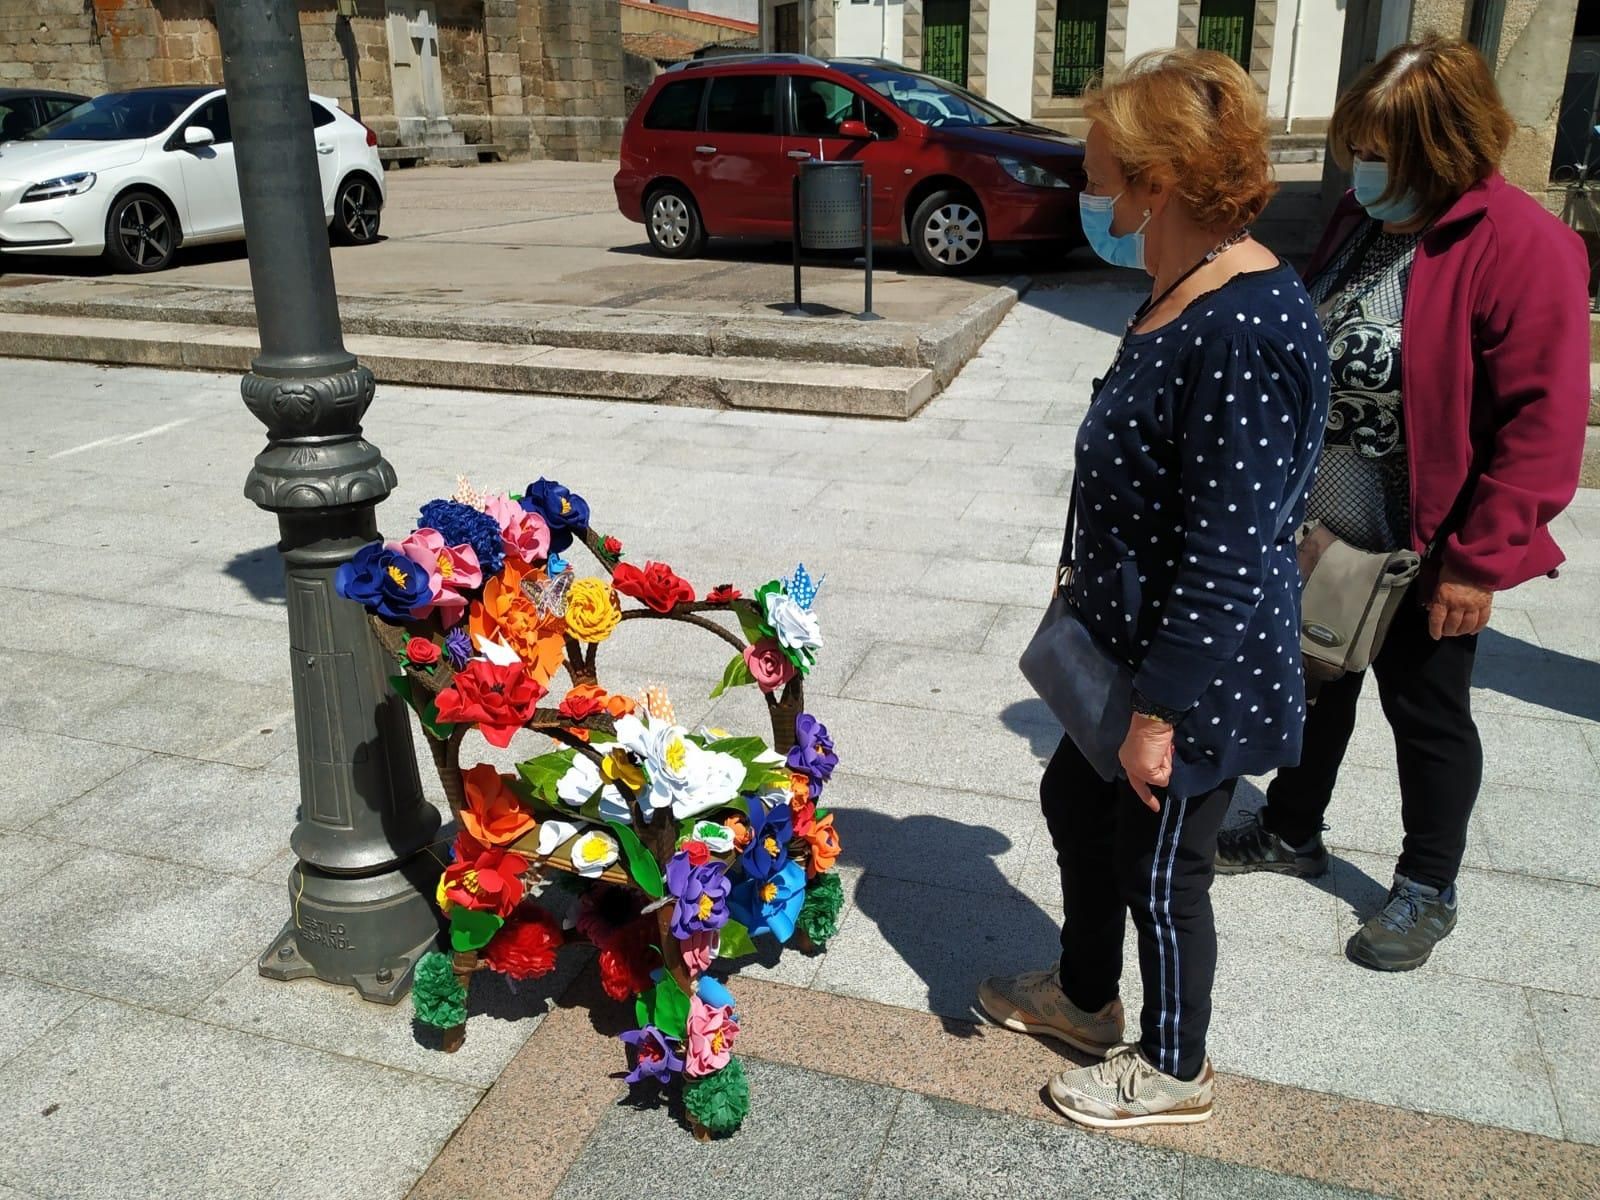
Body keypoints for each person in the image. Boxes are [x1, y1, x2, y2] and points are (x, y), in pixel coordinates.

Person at [979, 49, 1329, 1129]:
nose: (1087, 194)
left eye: (1097, 173)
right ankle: (1084, 999)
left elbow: (1228, 550)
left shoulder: (1241, 325)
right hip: (1131, 645)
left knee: (1162, 865)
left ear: (1155, 184)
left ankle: (1176, 1067)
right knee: (1070, 802)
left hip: (1193, 670)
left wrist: (1159, 715)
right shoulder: (1179, 291)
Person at [1215, 37, 1591, 973]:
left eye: (1386, 149)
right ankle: (1293, 829)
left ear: (1449, 141)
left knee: (1427, 716)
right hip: (1330, 526)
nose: (1366, 166)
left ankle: (1428, 882)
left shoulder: (1523, 244)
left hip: (1429, 543)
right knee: (1317, 682)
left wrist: (1478, 558)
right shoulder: (1362, 217)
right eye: (1362, 146)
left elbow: (1544, 419)